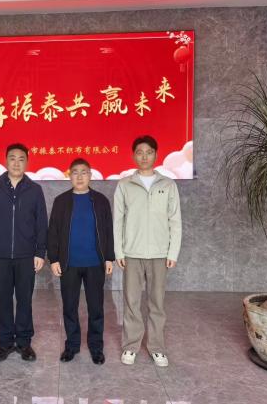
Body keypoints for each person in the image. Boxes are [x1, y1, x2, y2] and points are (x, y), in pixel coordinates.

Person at [0, 143, 48, 362]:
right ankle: (5, 343)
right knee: (4, 300)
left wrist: (40, 252)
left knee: (25, 300)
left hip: (26, 256)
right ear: (6, 161)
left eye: (21, 159)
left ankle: (24, 343)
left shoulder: (35, 190)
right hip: (0, 256)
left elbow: (41, 224)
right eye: (12, 158)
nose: (16, 163)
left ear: (27, 162)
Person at [113, 135, 182, 367]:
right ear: (133, 155)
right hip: (132, 253)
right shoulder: (124, 185)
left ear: (156, 155)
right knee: (131, 301)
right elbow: (117, 221)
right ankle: (131, 346)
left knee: (157, 302)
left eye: (149, 152)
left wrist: (172, 253)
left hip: (160, 253)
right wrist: (119, 251)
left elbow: (175, 221)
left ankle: (157, 348)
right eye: (140, 152)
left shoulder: (168, 185)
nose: (144, 156)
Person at [48, 158, 114, 365]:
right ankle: (72, 345)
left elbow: (108, 231)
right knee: (70, 306)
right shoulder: (61, 201)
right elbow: (53, 231)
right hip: (69, 264)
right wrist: (54, 259)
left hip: (95, 263)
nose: (79, 176)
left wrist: (109, 257)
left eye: (83, 172)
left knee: (96, 307)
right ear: (69, 175)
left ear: (90, 175)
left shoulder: (101, 200)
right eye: (75, 172)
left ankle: (96, 347)